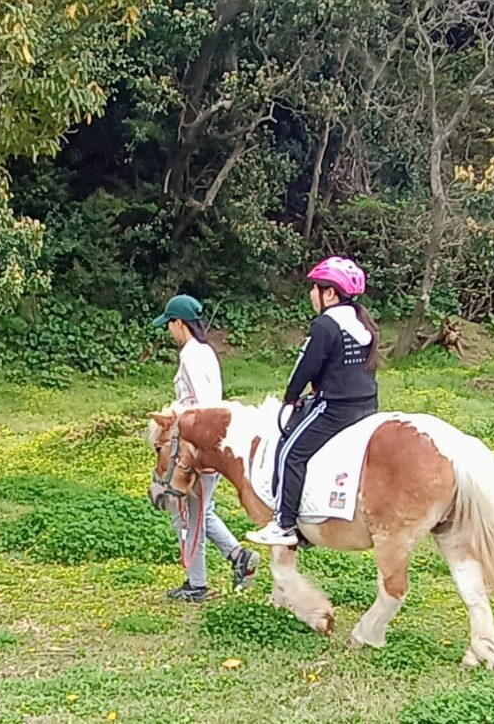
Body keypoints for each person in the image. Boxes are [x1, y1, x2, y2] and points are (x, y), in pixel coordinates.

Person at [246, 257, 381, 546]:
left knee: (290, 453)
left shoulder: (325, 325)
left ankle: (284, 524)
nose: (311, 294)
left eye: (314, 288)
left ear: (329, 293)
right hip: (368, 406)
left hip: (334, 408)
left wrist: (291, 397)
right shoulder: (363, 323)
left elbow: (305, 367)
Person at [152, 294, 259, 601]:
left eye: (169, 324)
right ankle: (239, 557)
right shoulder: (205, 351)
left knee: (189, 515)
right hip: (204, 441)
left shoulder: (190, 356)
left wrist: (176, 415)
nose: (169, 330)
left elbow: (203, 405)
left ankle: (196, 584)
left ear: (179, 323)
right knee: (201, 510)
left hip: (195, 446)